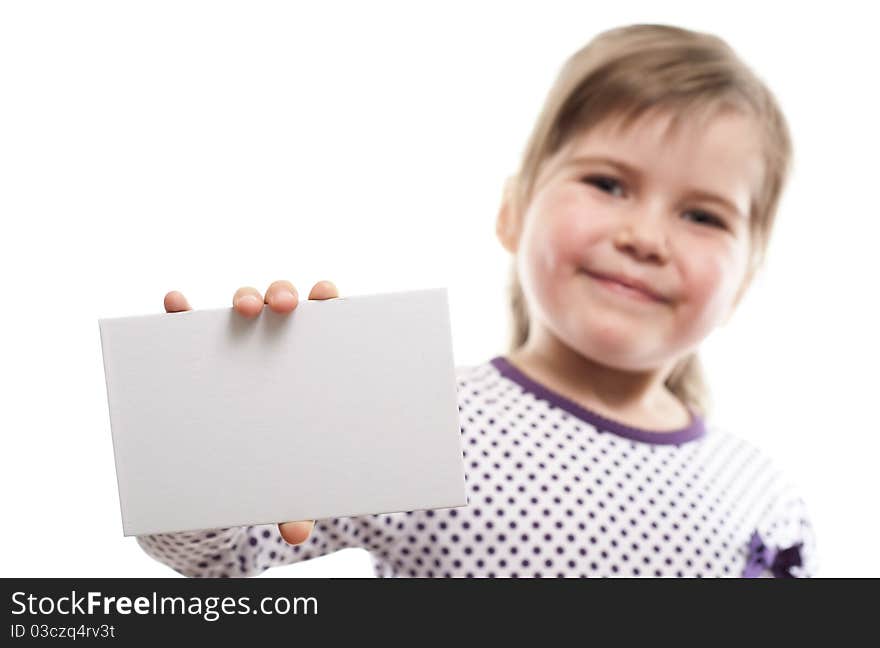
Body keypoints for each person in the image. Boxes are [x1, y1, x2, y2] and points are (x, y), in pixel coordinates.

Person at [137, 24, 817, 577]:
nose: (644, 237)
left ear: (744, 285)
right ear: (512, 212)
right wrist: (218, 425)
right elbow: (219, 555)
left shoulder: (762, 492)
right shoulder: (420, 420)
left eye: (703, 216)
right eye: (608, 183)